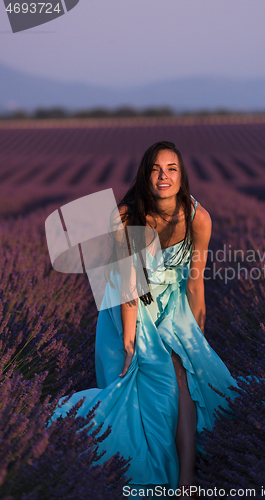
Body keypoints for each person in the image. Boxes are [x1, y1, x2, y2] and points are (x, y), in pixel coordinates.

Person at [50, 141, 239, 498]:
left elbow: (196, 280)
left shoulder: (199, 217)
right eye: (155, 169)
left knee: (187, 369)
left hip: (175, 303)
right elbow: (129, 283)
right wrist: (128, 338)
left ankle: (186, 478)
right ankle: (161, 468)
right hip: (130, 304)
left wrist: (197, 335)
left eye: (172, 169)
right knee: (158, 374)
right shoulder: (125, 216)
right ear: (145, 174)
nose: (163, 176)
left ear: (182, 177)